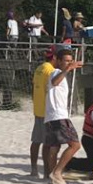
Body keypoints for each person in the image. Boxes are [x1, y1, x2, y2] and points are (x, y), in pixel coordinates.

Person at [45, 48, 84, 184]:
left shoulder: (61, 73)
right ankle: (56, 172)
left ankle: (52, 175)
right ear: (59, 61)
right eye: (66, 61)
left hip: (52, 115)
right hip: (58, 115)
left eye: (70, 61)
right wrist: (68, 69)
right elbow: (55, 82)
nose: (68, 63)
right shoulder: (55, 72)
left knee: (54, 147)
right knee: (75, 145)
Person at [30, 48, 56, 177]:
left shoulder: (39, 68)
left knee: (36, 140)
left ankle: (34, 169)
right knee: (48, 143)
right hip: (47, 110)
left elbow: (33, 86)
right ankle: (47, 171)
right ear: (54, 58)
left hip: (38, 108)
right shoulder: (50, 70)